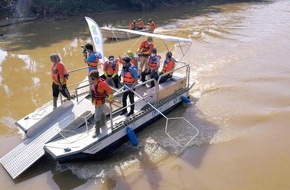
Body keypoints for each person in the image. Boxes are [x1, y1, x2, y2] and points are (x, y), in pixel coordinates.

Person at [90, 70, 114, 138]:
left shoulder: (101, 83)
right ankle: (103, 123)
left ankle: (97, 132)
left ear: (93, 77)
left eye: (91, 77)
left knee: (96, 116)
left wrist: (111, 99)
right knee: (101, 111)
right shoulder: (96, 82)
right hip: (97, 102)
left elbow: (110, 91)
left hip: (100, 102)